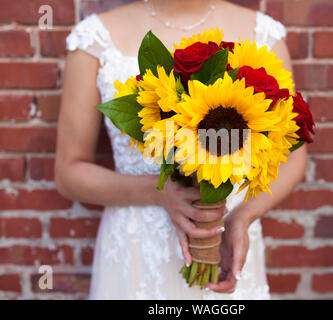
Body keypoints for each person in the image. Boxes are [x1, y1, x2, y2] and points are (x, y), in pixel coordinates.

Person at [56, 0, 307, 299]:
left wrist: (242, 217)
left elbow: (292, 157)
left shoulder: (263, 34)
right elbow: (69, 172)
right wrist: (157, 190)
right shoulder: (94, 40)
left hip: (228, 240)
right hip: (137, 249)